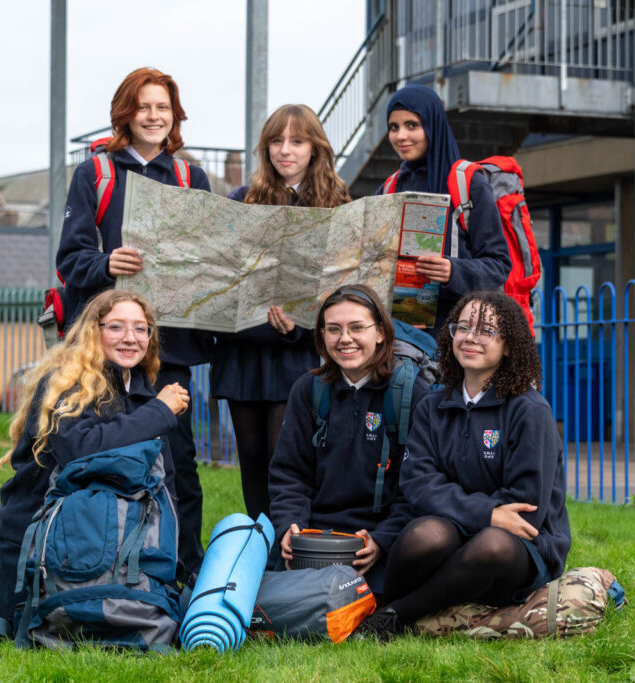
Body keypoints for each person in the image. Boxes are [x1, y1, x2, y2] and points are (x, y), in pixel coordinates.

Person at [56, 67, 209, 584]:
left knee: (180, 466)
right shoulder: (95, 173)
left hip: (173, 350)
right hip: (109, 347)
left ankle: (183, 573)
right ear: (126, 112)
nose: (153, 116)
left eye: (163, 107)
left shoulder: (193, 179)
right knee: (104, 449)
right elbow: (70, 260)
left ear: (174, 116)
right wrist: (107, 265)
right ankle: (96, 561)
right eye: (144, 106)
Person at [356, 290, 570, 640]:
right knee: (425, 534)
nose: (471, 337)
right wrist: (486, 513)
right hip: (453, 536)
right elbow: (418, 483)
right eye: (463, 327)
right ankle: (393, 608)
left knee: (492, 543)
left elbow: (525, 512)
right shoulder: (432, 405)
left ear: (510, 345)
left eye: (486, 330)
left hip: (518, 551)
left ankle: (395, 615)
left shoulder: (529, 411)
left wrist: (486, 520)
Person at [0, 290, 190, 639]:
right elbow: (82, 448)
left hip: (109, 547)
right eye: (116, 327)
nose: (131, 338)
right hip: (36, 550)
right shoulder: (66, 383)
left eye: (142, 329)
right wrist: (158, 413)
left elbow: (164, 487)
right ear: (92, 330)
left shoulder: (140, 390)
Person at [214, 104, 351, 518]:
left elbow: (346, 288)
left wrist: (300, 325)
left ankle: (287, 554)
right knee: (252, 463)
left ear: (316, 148)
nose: (284, 150)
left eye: (296, 141)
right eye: (276, 141)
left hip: (300, 355)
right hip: (245, 355)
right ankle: (260, 558)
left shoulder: (339, 206)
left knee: (286, 460)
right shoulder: (242, 201)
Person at [268, 284, 429, 595]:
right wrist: (288, 528)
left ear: (381, 332)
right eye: (333, 329)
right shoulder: (308, 390)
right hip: (315, 539)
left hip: (381, 540)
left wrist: (382, 540)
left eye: (357, 327)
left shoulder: (411, 394)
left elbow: (418, 485)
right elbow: (289, 473)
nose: (344, 339)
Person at [377, 84, 512, 335]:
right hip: (399, 337)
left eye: (412, 125)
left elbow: (498, 265)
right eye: (393, 127)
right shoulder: (389, 188)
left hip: (456, 338)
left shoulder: (467, 183)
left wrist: (453, 271)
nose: (400, 136)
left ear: (433, 126)